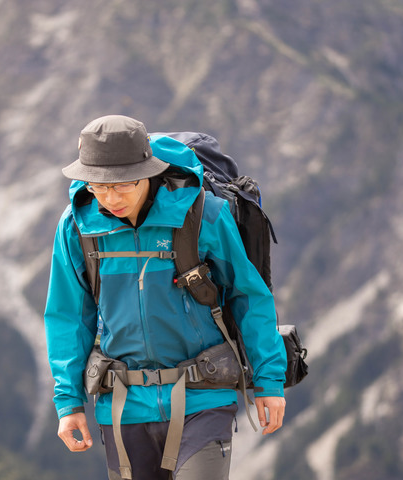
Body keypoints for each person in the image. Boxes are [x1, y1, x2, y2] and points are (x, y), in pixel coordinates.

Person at [44, 115, 286, 480]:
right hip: (122, 404)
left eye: (123, 185)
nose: (110, 198)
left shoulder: (203, 215)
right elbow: (67, 316)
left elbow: (248, 297)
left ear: (148, 171)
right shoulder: (78, 226)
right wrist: (68, 402)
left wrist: (269, 381)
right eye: (98, 186)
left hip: (203, 395)